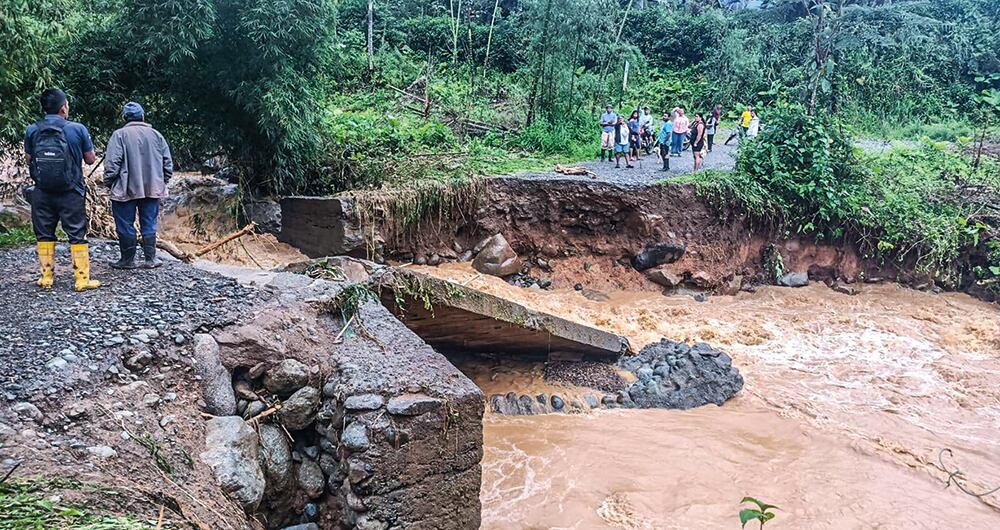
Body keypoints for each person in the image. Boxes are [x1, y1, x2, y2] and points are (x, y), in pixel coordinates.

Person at [23, 88, 100, 291]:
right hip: (71, 191)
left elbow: (29, 159)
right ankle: (81, 279)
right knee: (77, 233)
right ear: (63, 108)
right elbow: (90, 159)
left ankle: (46, 278)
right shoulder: (77, 129)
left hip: (42, 191)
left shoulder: (32, 130)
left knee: (44, 233)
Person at [103, 102, 174, 269]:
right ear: (143, 116)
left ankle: (127, 260)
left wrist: (109, 182)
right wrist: (161, 181)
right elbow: (167, 164)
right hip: (152, 187)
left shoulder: (119, 135)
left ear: (125, 118)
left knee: (125, 224)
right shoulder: (157, 135)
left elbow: (112, 164)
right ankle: (150, 259)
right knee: (149, 222)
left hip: (125, 188)